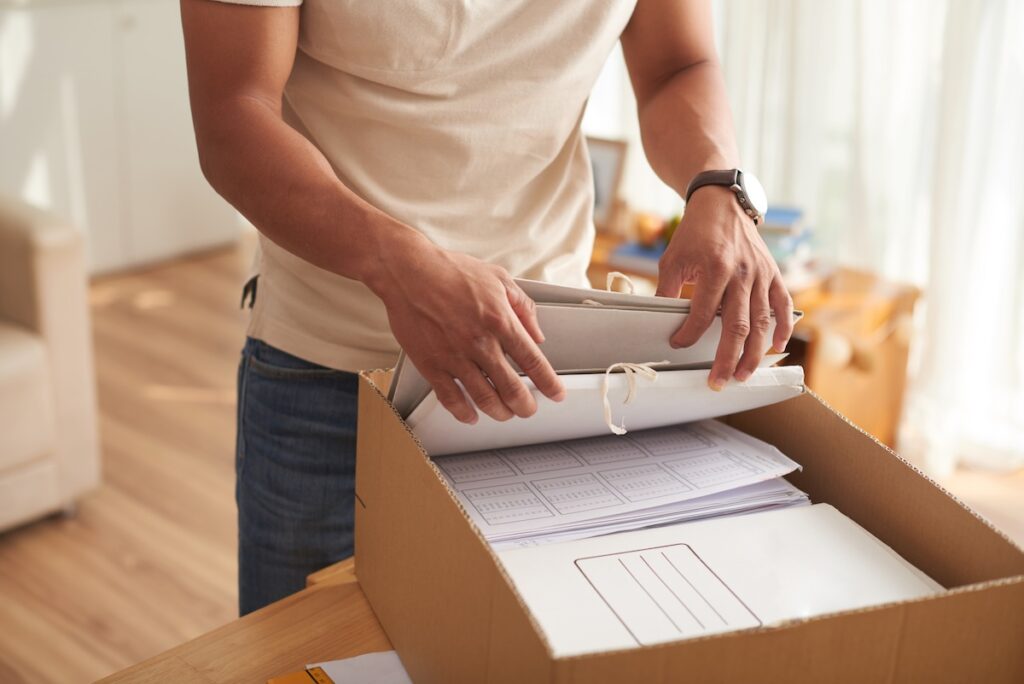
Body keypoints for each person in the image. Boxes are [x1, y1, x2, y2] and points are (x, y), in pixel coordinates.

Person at [180, 0, 794, 615]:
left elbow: (676, 65)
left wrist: (719, 184)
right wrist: (400, 265)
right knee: (307, 651)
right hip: (331, 370)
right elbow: (235, 113)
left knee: (514, 644)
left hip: (555, 367)